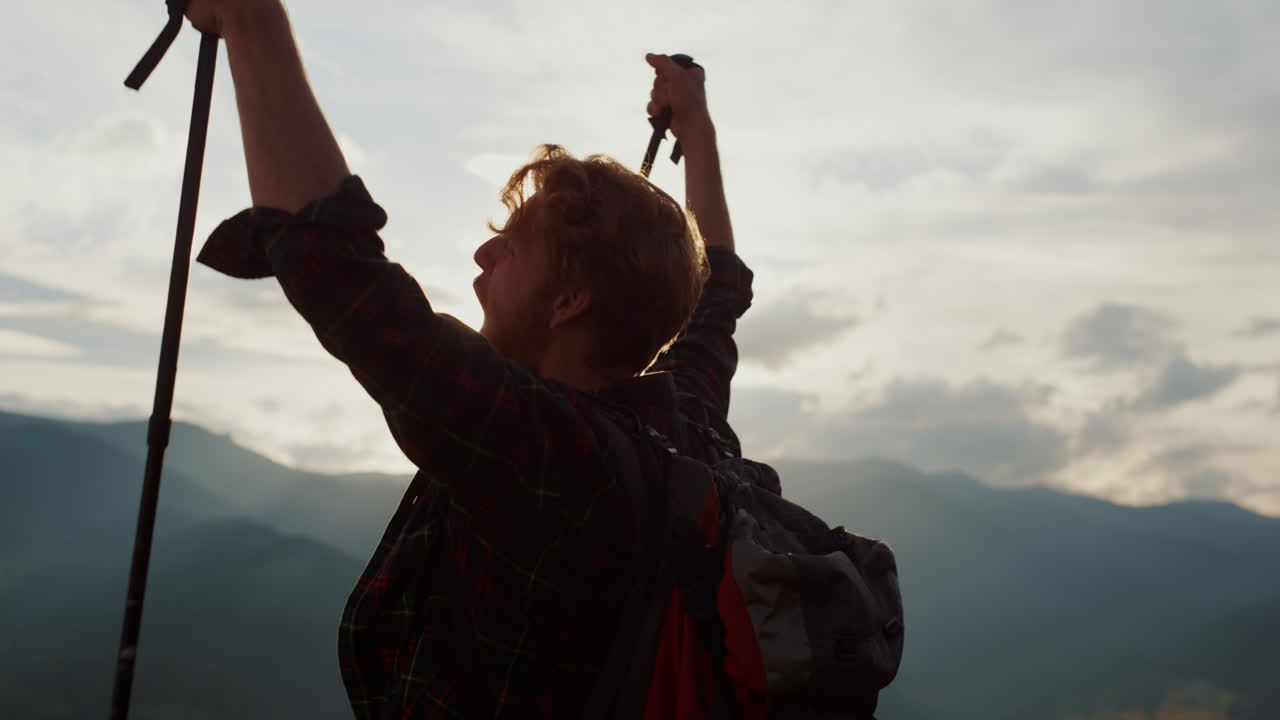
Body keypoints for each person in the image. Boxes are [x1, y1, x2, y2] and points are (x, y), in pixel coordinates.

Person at [186, 0, 755, 716]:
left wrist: (249, 17)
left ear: (568, 302)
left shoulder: (549, 456)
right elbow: (719, 292)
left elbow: (341, 275)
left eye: (510, 244)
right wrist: (695, 135)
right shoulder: (685, 431)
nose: (482, 254)